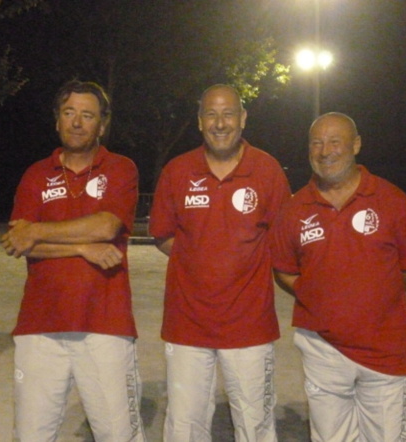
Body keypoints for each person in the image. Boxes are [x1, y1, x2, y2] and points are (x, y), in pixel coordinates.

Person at [271, 113, 406, 441]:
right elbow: (284, 270)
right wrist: (317, 297)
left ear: (356, 145)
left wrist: (379, 297)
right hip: (322, 348)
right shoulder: (295, 208)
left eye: (335, 141)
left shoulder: (391, 200)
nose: (324, 150)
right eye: (316, 143)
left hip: (383, 349)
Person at [2, 80, 146, 441]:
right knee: (32, 435)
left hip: (105, 325)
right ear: (57, 121)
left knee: (118, 434)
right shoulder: (36, 175)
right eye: (69, 113)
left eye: (87, 115)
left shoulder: (120, 169)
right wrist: (81, 248)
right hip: (40, 326)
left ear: (102, 125)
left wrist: (39, 230)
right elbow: (21, 243)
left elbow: (106, 225)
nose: (77, 122)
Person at [149, 84, 291, 441]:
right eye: (211, 114)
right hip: (187, 324)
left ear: (242, 118)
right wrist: (200, 257)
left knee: (254, 422)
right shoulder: (178, 171)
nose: (220, 123)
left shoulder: (267, 169)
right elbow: (162, 233)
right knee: (184, 424)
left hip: (250, 325)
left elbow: (283, 237)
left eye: (228, 113)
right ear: (199, 122)